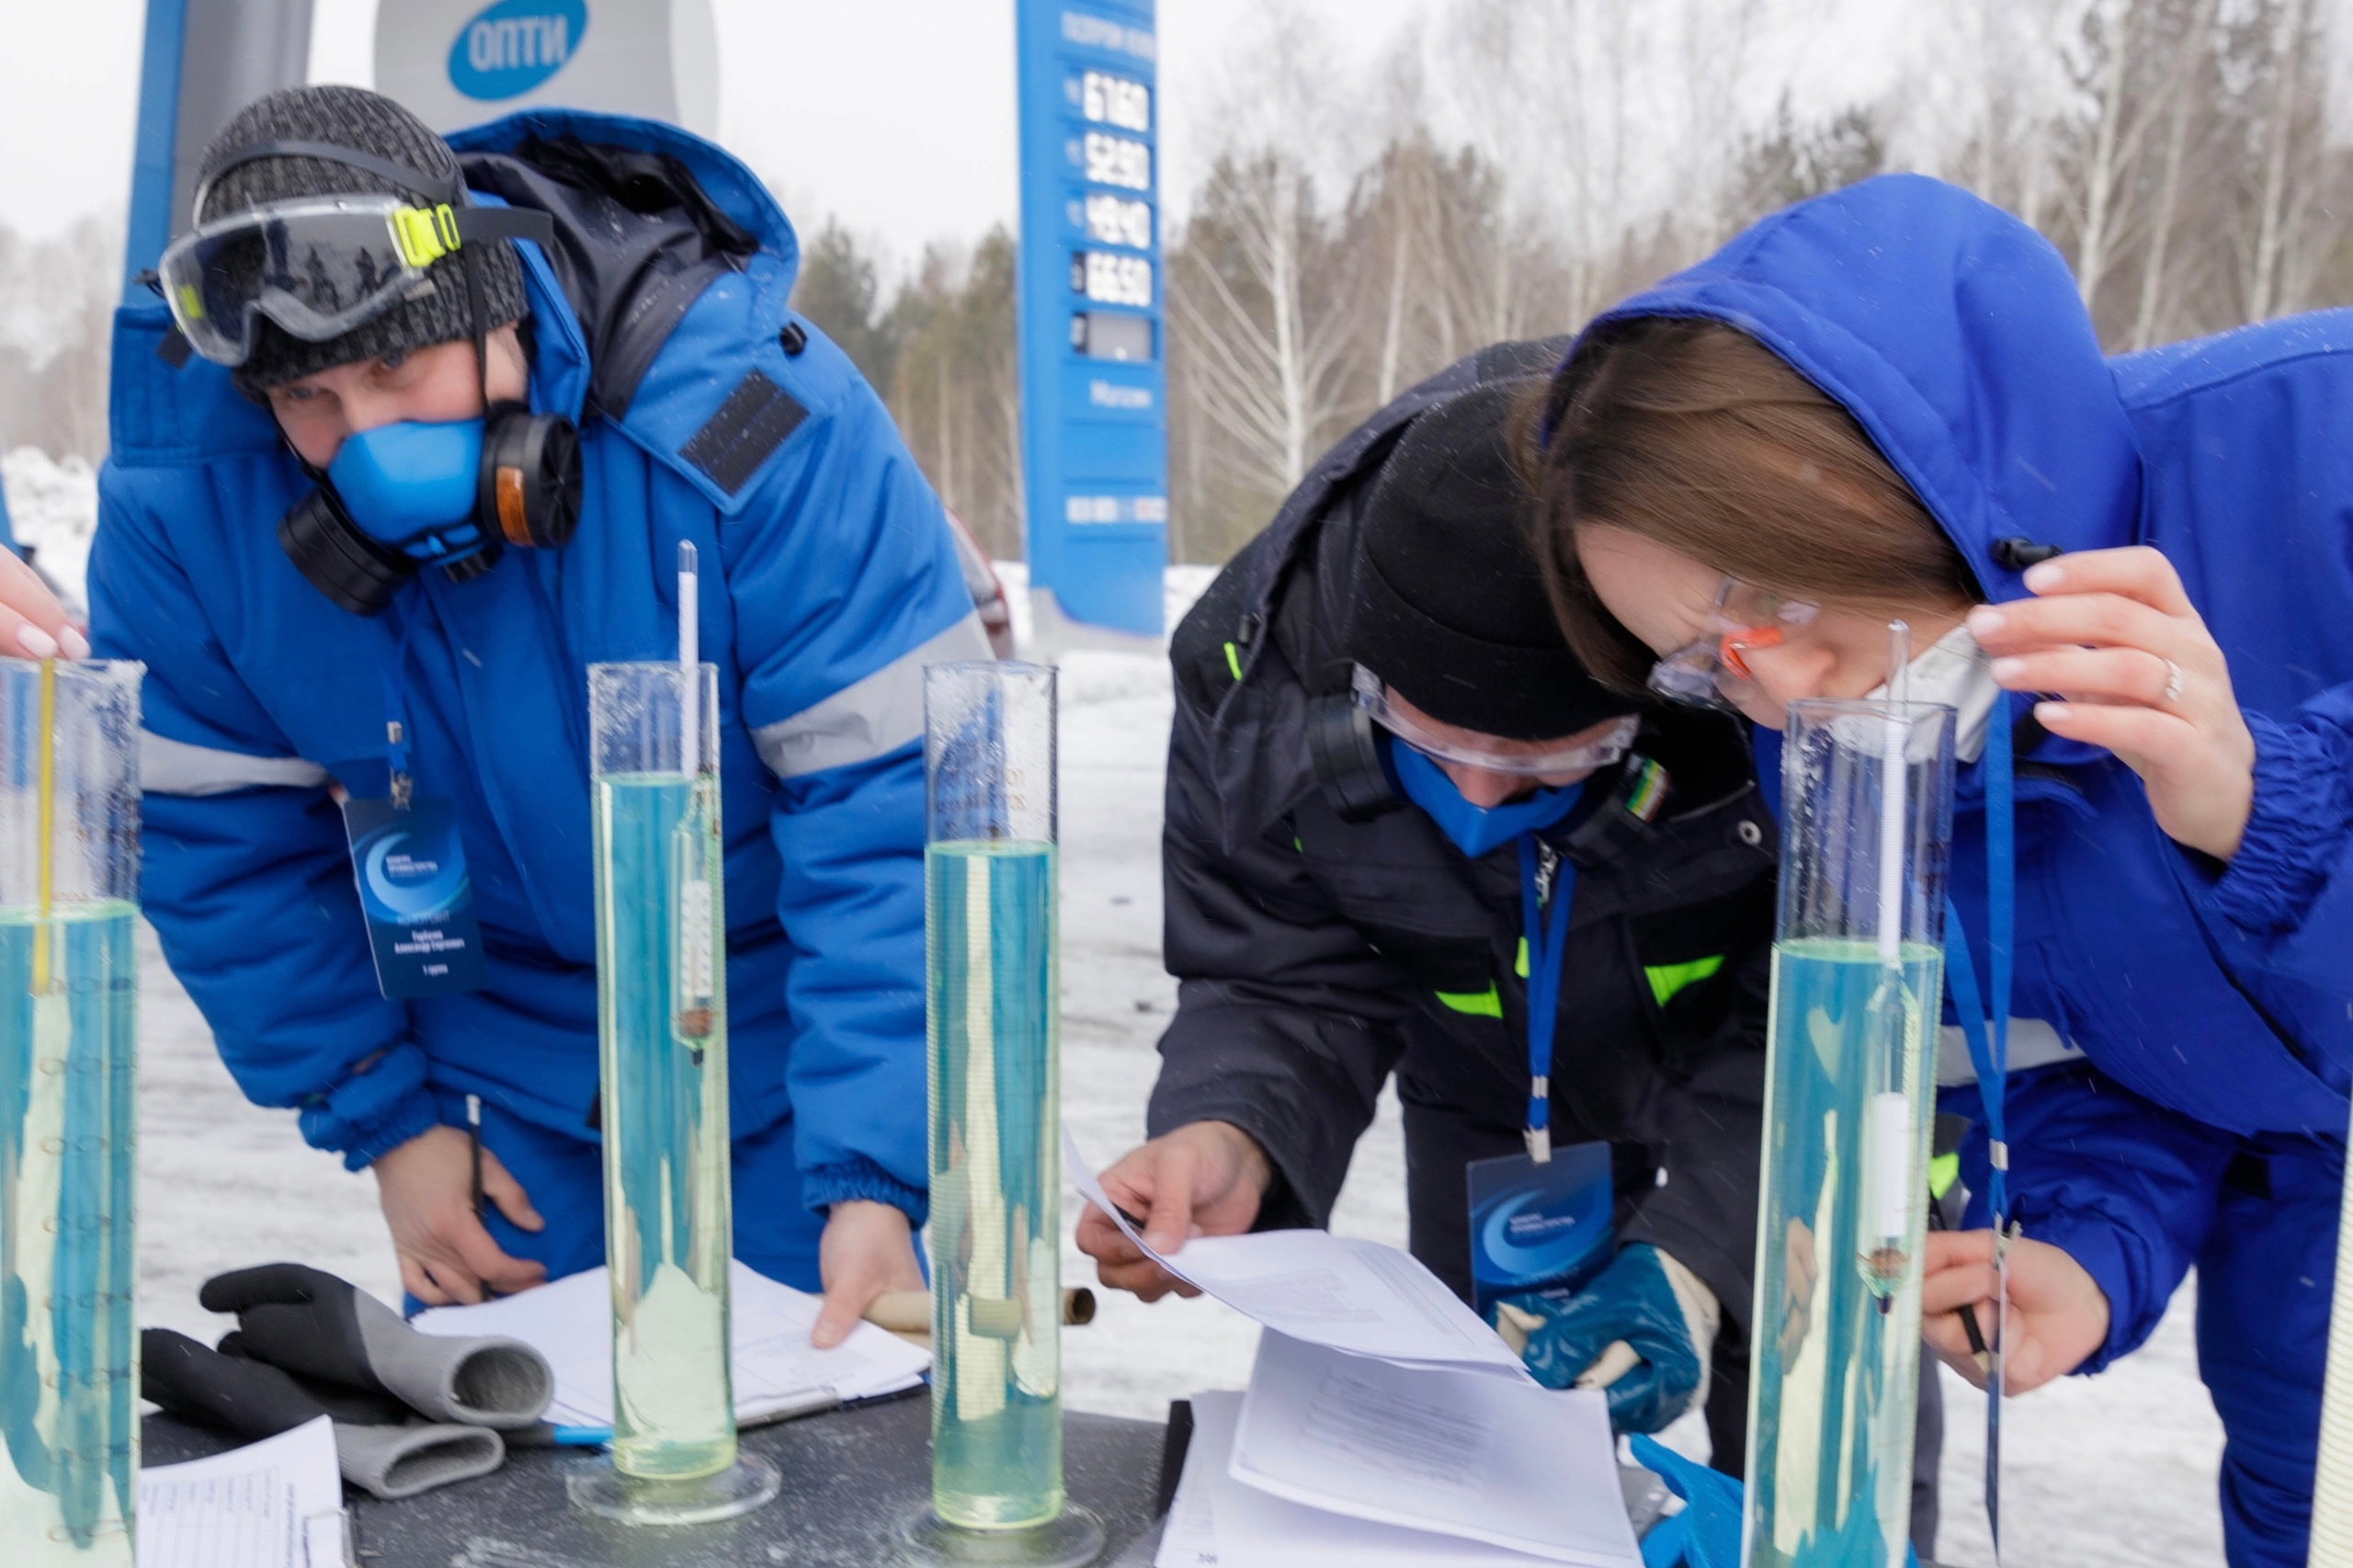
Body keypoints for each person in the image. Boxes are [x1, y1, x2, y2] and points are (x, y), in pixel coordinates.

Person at [1526, 173, 2351, 1567]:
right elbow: (2135, 1050)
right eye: (1696, 657)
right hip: (2306, 1352)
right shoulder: (1862, 749)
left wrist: (2268, 806)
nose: (1767, 684)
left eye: (1755, 599)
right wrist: (2092, 1243)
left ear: (1877, 462)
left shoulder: (2310, 441)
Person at [91, 86, 992, 1346]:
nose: (363, 443)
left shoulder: (754, 420)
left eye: (394, 370)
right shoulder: (191, 515)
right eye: (311, 405)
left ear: (493, 306)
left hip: (799, 1048)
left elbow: (898, 806)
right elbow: (217, 848)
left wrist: (879, 1160)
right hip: (493, 1094)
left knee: (824, 1458)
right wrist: (385, 1120)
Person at [1080, 347, 1807, 1485]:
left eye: (1544, 762)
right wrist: (1229, 1129)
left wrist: (1709, 1250)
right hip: (1481, 1097)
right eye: (1435, 746)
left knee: (1807, 1462)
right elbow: (1277, 970)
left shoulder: (1768, 695)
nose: (1475, 799)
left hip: (1768, 1093)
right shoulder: (1254, 676)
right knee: (1481, 1458)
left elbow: (1838, 1022)